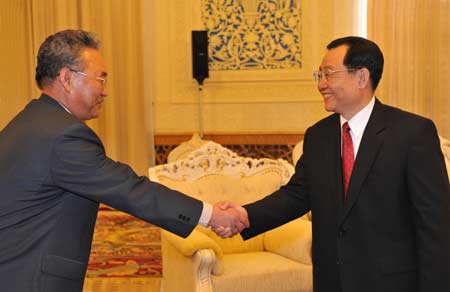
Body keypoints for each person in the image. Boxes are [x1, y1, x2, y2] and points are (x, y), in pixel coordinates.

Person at [0, 29, 247, 292]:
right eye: (100, 79)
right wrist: (211, 216)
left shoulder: (28, 121)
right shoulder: (63, 136)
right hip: (29, 278)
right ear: (67, 78)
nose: (104, 91)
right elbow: (130, 189)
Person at [215, 36, 450, 292]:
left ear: (361, 77)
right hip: (333, 280)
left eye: (329, 74)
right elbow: (297, 195)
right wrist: (245, 215)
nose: (321, 84)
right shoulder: (318, 136)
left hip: (392, 282)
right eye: (319, 75)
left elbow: (435, 226)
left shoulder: (412, 134)